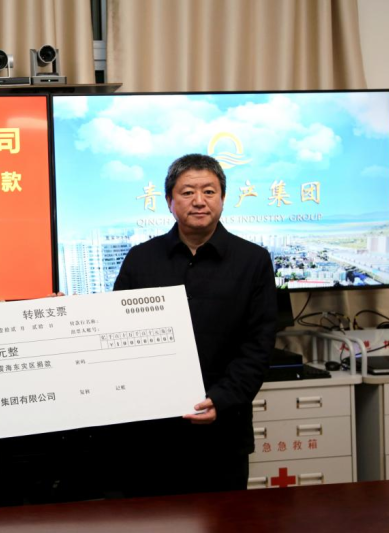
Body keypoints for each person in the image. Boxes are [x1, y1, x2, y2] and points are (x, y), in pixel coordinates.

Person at [110, 153, 277, 496]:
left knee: (225, 521)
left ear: (223, 198)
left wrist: (222, 399)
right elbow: (114, 331)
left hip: (223, 433)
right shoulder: (141, 259)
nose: (199, 201)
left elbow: (258, 345)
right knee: (153, 519)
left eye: (209, 191)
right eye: (187, 192)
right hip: (150, 435)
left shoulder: (253, 261)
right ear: (169, 202)